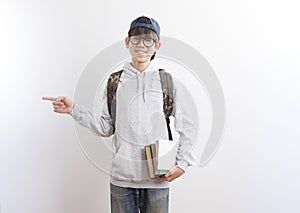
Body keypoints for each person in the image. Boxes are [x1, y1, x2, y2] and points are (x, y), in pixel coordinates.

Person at [43, 15, 196, 213]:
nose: (142, 44)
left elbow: (187, 124)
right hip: (122, 180)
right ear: (127, 42)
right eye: (136, 38)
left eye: (148, 39)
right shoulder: (115, 81)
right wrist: (73, 110)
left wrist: (183, 164)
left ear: (157, 45)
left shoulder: (167, 81)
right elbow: (105, 127)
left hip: (158, 179)